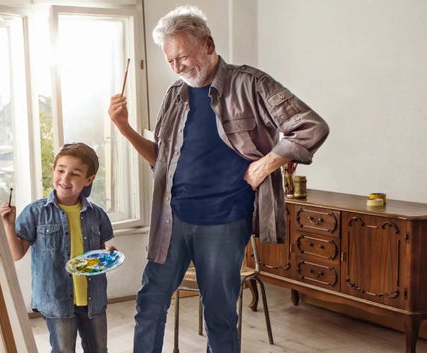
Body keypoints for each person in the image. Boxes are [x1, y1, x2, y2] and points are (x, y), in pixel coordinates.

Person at [108, 5, 329, 353]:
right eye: (170, 61)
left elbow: (311, 126)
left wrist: (266, 163)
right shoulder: (174, 96)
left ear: (208, 45)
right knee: (149, 306)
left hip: (224, 223)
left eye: (182, 56)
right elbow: (161, 163)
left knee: (220, 316)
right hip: (172, 220)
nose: (178, 67)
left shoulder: (251, 84)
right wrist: (125, 129)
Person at [0, 142, 115, 353]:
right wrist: (8, 225)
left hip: (93, 299)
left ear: (88, 180)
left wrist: (109, 255)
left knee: (99, 349)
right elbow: (16, 254)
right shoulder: (36, 213)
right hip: (57, 299)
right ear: (53, 169)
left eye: (74, 174)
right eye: (61, 170)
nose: (65, 178)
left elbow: (100, 252)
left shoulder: (96, 214)